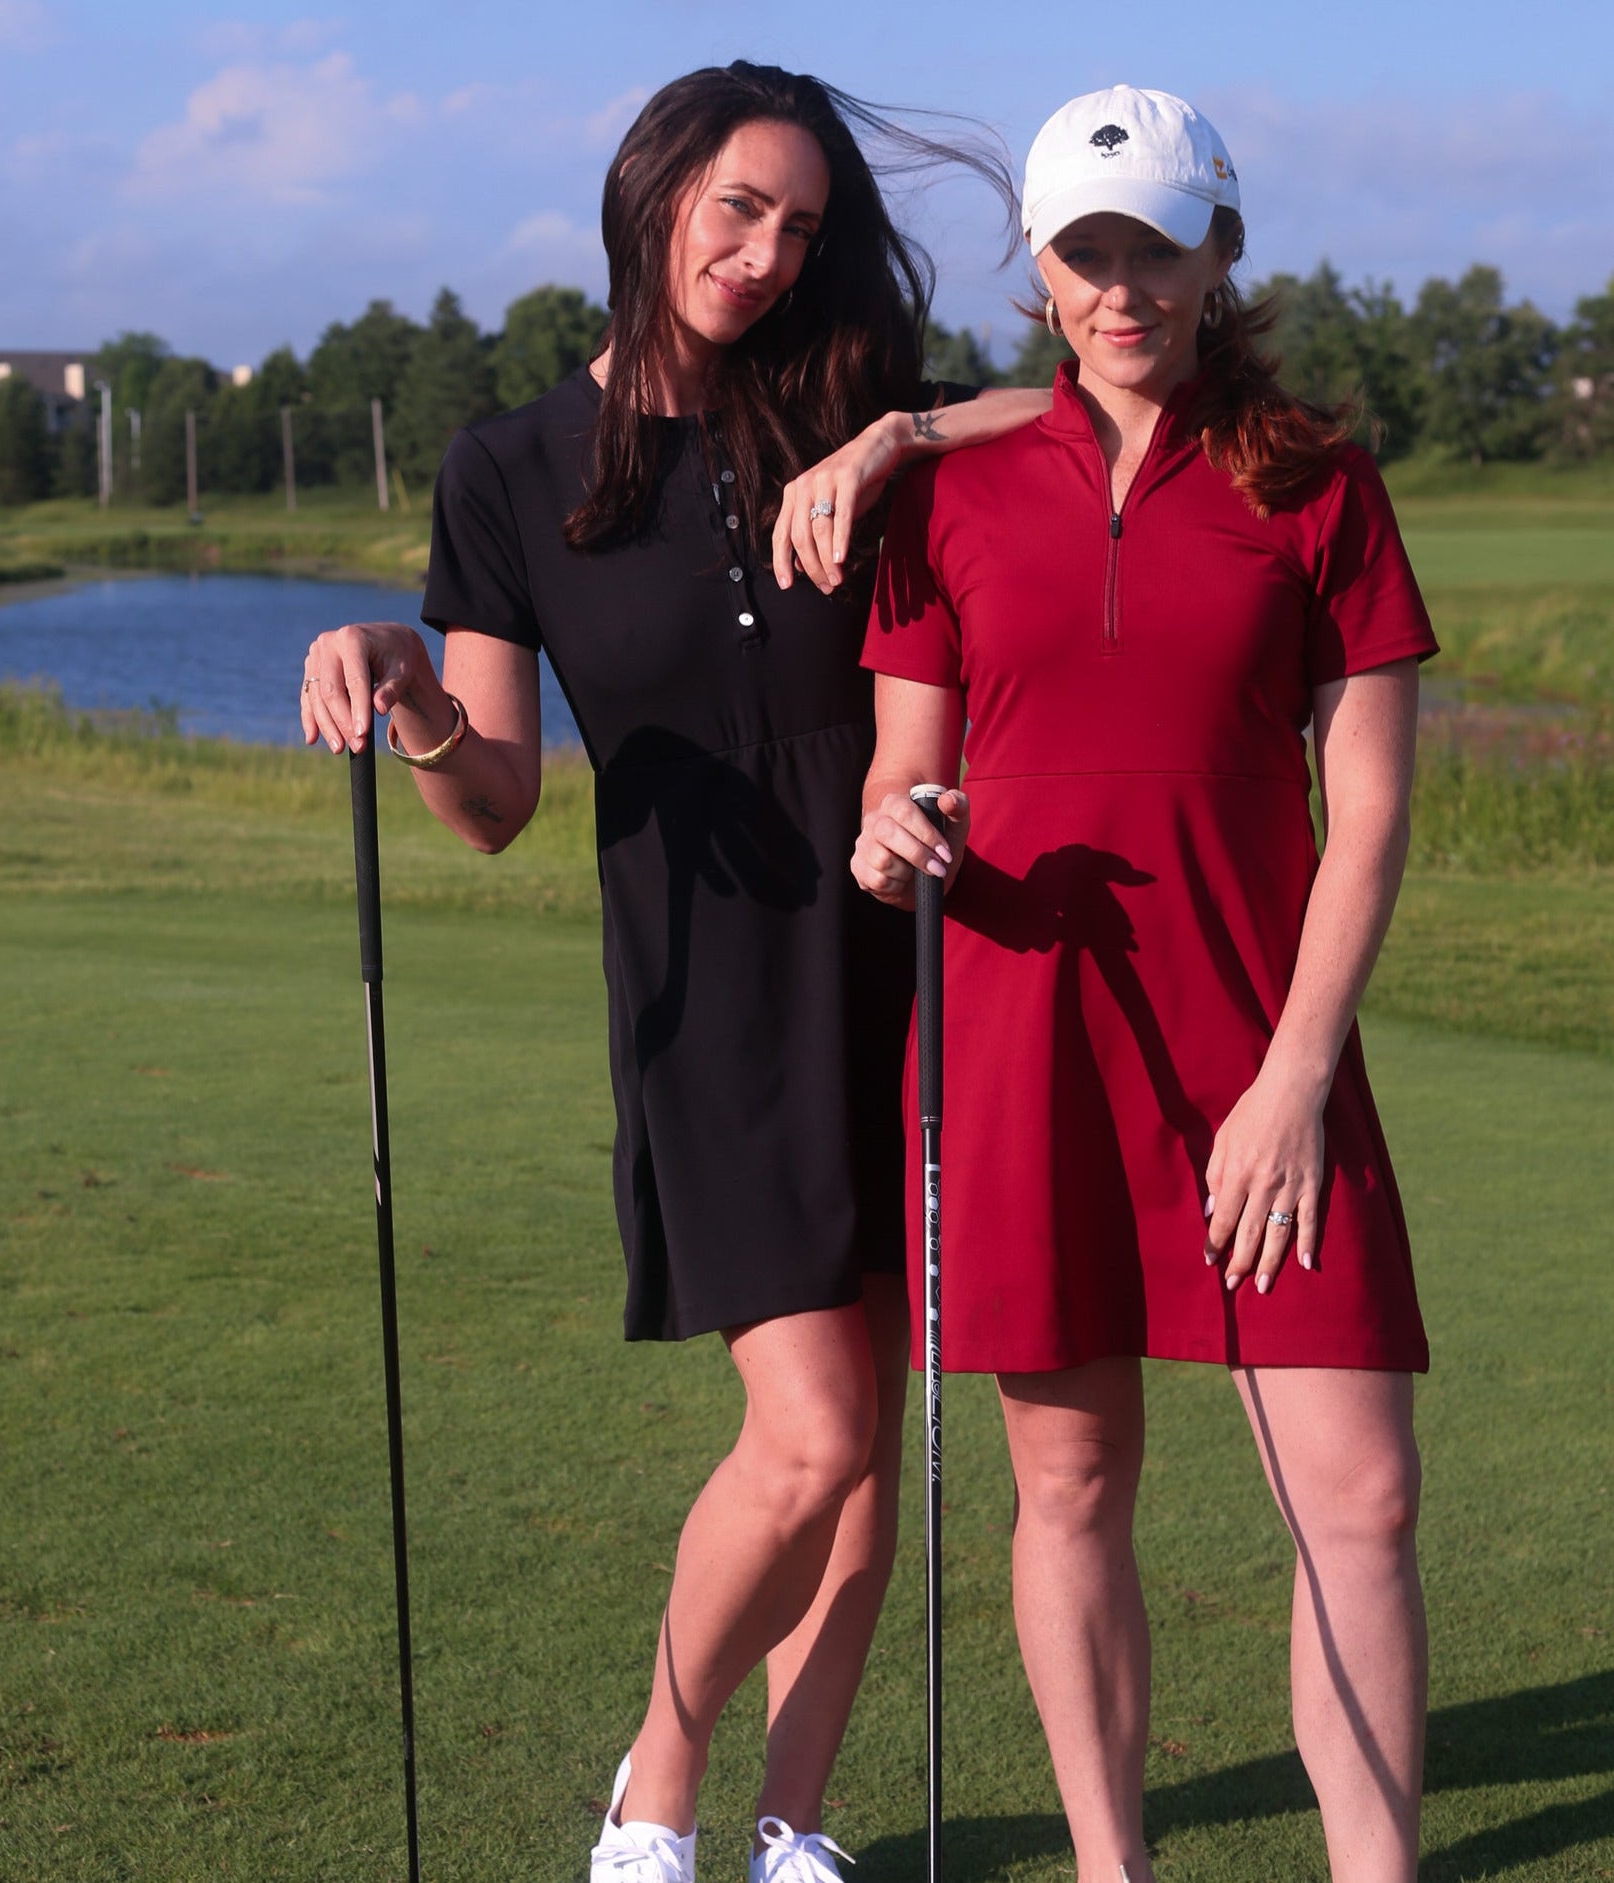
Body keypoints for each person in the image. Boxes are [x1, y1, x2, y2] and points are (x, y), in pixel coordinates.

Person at [298, 62, 1045, 1883]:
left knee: (866, 1447)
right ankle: (661, 1776)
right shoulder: (506, 469)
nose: (765, 253)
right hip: (706, 987)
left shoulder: (848, 399)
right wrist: (408, 688)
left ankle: (795, 1821)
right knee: (810, 1432)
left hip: (901, 946)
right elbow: (493, 801)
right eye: (737, 209)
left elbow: (1072, 411)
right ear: (652, 196)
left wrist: (897, 440)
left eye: (798, 225)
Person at [851, 87, 1436, 1883]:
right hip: (1023, 1040)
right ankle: (1114, 1870)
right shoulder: (944, 493)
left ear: (1219, 253)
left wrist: (1295, 1077)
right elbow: (900, 773)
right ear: (1039, 267)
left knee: (1358, 1498)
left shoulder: (1315, 484)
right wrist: (889, 836)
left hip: (1261, 1048)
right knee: (1069, 1482)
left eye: (1157, 249)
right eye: (1085, 252)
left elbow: (1368, 811)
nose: (1122, 288)